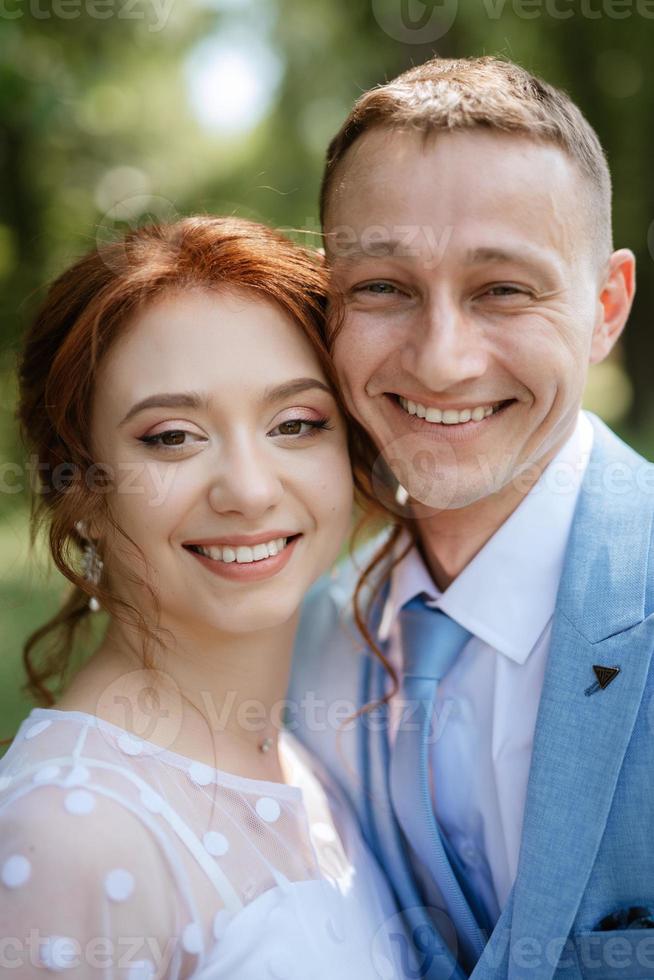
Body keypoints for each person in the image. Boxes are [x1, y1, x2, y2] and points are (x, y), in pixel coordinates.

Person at [289, 56, 654, 979]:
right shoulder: (309, 638)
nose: (442, 361)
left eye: (503, 290)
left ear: (606, 308)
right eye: (381, 287)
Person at [0, 216, 407, 978]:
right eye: (173, 437)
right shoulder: (68, 830)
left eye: (296, 423)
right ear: (77, 485)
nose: (250, 491)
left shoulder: (301, 761)